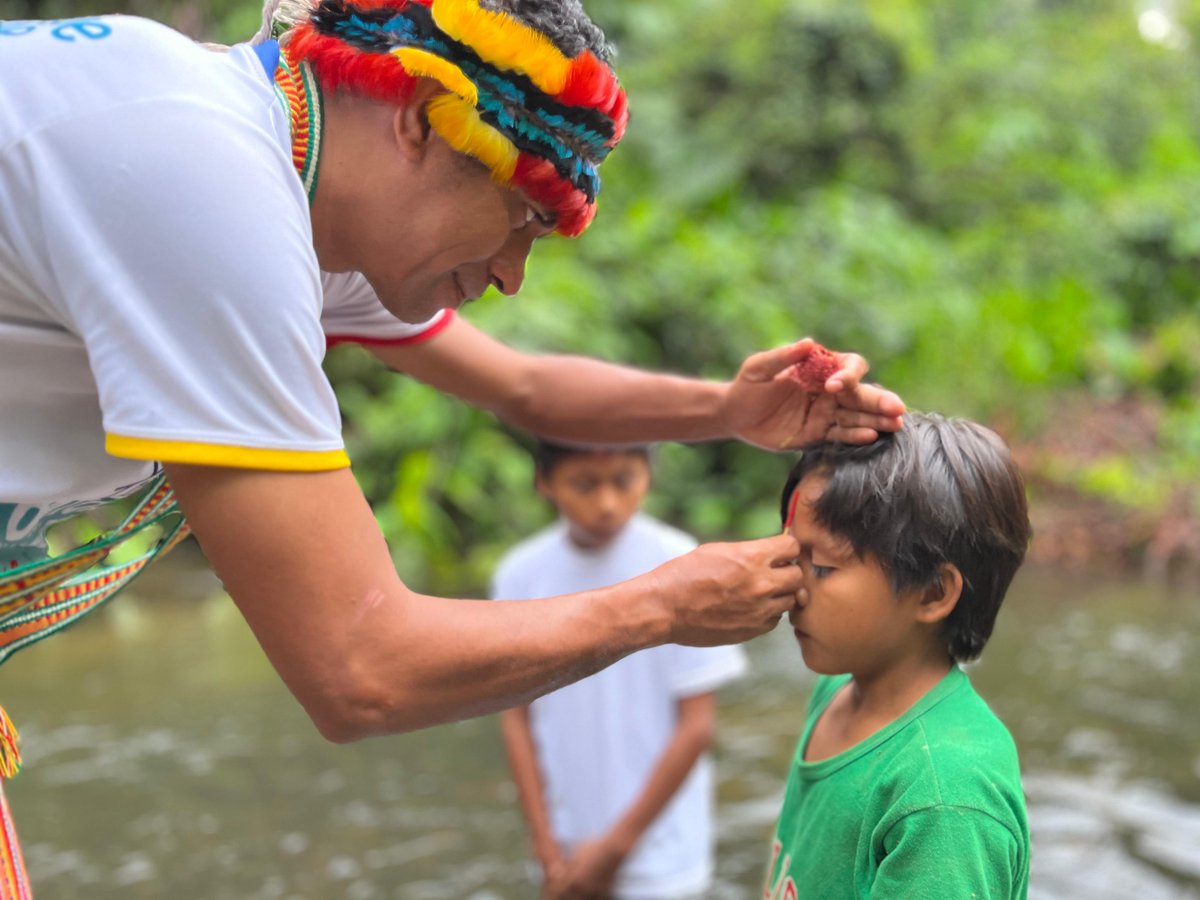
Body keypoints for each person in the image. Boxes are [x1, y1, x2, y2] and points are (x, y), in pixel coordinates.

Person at [0, 0, 905, 890]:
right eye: (522, 217)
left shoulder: (291, 183)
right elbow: (360, 669)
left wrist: (729, 410)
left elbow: (527, 389)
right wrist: (662, 609)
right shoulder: (205, 186)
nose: (513, 275)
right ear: (417, 122)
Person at [762, 413, 1032, 900]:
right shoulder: (837, 690)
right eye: (790, 556)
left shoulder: (943, 800)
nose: (791, 584)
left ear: (931, 592)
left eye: (821, 567)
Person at [495, 441, 746, 899]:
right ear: (544, 483)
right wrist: (546, 847)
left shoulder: (682, 564)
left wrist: (614, 849)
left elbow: (696, 726)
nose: (607, 503)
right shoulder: (520, 575)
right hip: (564, 848)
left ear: (648, 474)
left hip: (662, 853)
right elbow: (517, 718)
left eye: (623, 481)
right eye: (584, 485)